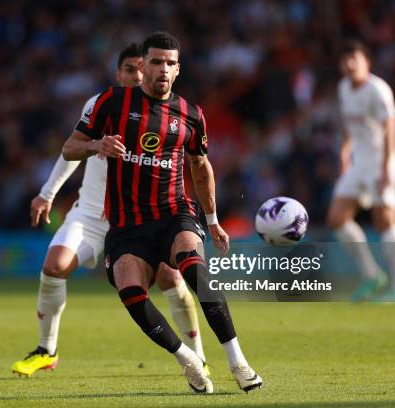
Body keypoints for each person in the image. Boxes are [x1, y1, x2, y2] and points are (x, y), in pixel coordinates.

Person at [62, 31, 262, 394]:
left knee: (196, 273)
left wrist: (213, 221)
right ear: (143, 66)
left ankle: (239, 362)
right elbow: (69, 147)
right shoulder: (112, 103)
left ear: (178, 69)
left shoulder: (190, 114)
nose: (163, 70)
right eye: (156, 62)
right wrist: (96, 144)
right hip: (127, 225)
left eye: (170, 63)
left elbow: (201, 168)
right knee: (129, 289)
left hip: (173, 213)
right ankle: (187, 359)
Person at [11, 43, 208, 377]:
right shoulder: (106, 104)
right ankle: (47, 350)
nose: (137, 74)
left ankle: (198, 355)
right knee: (54, 265)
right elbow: (69, 149)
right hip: (91, 214)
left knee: (171, 277)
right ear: (119, 73)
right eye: (129, 70)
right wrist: (48, 192)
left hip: (141, 217)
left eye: (140, 68)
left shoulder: (166, 112)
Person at [326, 40, 395, 303]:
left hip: (380, 162)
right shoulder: (344, 88)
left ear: (367, 62)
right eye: (346, 59)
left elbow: (391, 127)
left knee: (384, 219)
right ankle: (372, 275)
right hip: (358, 163)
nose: (350, 64)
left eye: (355, 58)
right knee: (337, 218)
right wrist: (344, 151)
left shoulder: (378, 89)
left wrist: (387, 165)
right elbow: (350, 125)